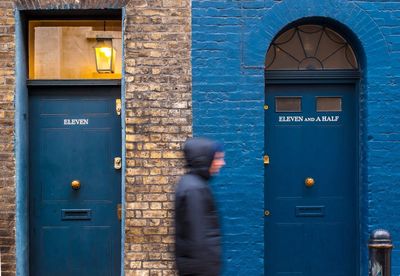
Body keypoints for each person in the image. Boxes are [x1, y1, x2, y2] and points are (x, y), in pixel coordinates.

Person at [174, 137, 226, 276]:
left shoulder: (194, 184)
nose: (222, 163)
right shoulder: (194, 189)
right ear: (205, 159)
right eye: (218, 158)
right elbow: (198, 237)